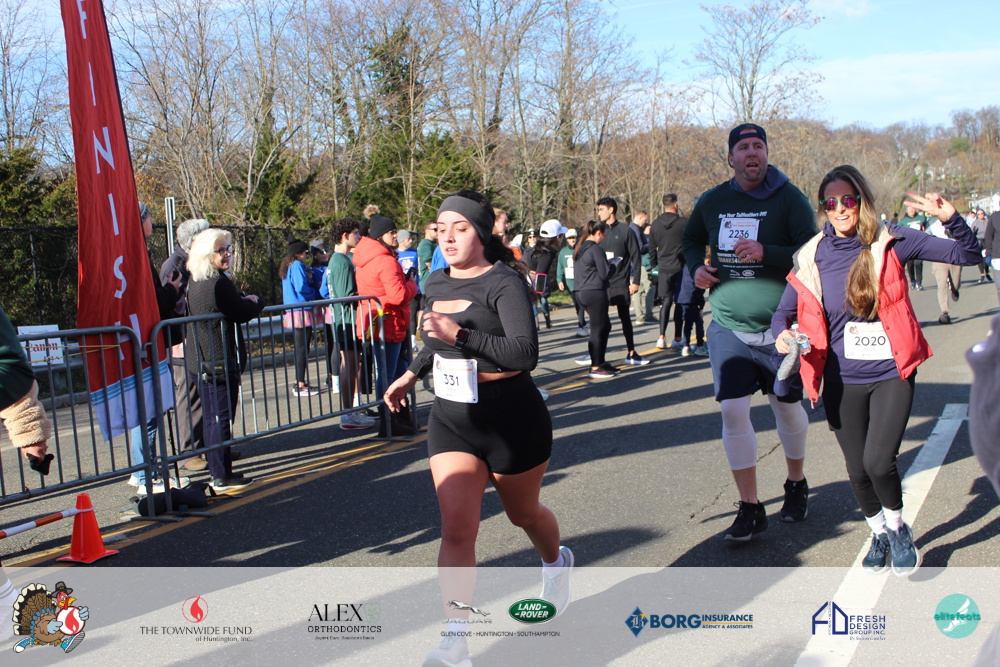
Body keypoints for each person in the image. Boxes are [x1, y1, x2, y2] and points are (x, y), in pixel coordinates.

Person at [383, 190, 571, 667]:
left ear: (482, 233)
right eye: (441, 228)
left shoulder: (504, 282)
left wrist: (462, 334)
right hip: (452, 419)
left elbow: (525, 354)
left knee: (523, 515)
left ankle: (556, 564)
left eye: (460, 228)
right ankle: (456, 640)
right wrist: (411, 374)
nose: (447, 237)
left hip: (511, 419)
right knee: (457, 528)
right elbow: (433, 339)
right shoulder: (435, 280)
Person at [772, 166, 981, 576]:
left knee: (878, 461)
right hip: (840, 379)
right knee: (856, 469)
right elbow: (782, 313)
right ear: (823, 208)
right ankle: (878, 533)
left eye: (847, 200)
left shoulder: (892, 240)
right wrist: (782, 334)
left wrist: (951, 218)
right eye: (830, 202)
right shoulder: (811, 255)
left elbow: (968, 255)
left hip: (890, 374)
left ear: (861, 201)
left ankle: (899, 528)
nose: (840, 209)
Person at [681, 123, 815, 541]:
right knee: (733, 411)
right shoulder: (713, 200)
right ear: (731, 158)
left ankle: (796, 482)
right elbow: (690, 240)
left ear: (767, 154)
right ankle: (750, 506)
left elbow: (812, 252)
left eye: (759, 146)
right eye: (743, 147)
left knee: (786, 409)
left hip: (780, 330)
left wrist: (767, 252)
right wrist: (696, 268)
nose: (752, 152)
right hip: (729, 326)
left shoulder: (789, 198)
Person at [185, 228, 261, 491]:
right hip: (215, 362)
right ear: (208, 254)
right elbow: (240, 311)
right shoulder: (217, 283)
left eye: (228, 249)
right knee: (220, 419)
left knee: (213, 418)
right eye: (221, 250)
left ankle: (221, 470)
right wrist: (256, 301)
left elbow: (228, 306)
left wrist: (242, 301)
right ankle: (220, 475)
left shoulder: (197, 281)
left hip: (201, 360)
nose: (227, 254)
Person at [129, 203, 186, 495]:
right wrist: (172, 289)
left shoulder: (132, 252)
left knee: (147, 410)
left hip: (142, 339)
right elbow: (151, 301)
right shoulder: (135, 254)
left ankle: (144, 470)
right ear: (140, 220)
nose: (152, 222)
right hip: (145, 341)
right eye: (149, 217)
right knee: (148, 411)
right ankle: (145, 474)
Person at [353, 213, 418, 436]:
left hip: (381, 320)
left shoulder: (367, 258)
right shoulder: (385, 260)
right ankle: (389, 421)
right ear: (381, 235)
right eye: (392, 232)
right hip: (389, 321)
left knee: (397, 370)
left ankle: (399, 418)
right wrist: (412, 285)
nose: (395, 236)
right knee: (389, 373)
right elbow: (398, 295)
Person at [159, 217, 211, 472]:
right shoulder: (175, 264)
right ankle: (188, 451)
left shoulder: (194, 261)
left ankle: (210, 447)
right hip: (180, 339)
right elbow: (171, 303)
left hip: (196, 337)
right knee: (188, 394)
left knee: (203, 392)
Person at [327, 218, 377, 430]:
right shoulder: (340, 261)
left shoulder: (340, 260)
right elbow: (345, 295)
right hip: (346, 321)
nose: (359, 236)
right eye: (355, 233)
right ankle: (348, 414)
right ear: (345, 235)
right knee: (349, 365)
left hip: (345, 320)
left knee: (352, 364)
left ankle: (351, 411)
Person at [596, 197, 646, 366]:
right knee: (601, 321)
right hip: (601, 283)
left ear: (611, 210)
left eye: (601, 209)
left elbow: (636, 257)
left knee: (625, 318)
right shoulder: (598, 231)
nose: (599, 213)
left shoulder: (626, 231)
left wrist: (636, 281)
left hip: (620, 282)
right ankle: (597, 355)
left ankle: (631, 352)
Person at [574, 219, 620, 379]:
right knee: (598, 328)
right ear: (598, 233)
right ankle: (595, 366)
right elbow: (604, 274)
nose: (604, 238)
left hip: (581, 291)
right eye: (604, 235)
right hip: (594, 291)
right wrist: (613, 265)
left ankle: (600, 361)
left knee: (605, 326)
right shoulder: (595, 249)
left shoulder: (580, 248)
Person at [280, 238, 320, 396]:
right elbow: (301, 287)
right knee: (302, 348)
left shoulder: (288, 266)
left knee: (301, 347)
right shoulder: (297, 265)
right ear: (298, 253)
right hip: (301, 309)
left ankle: (300, 381)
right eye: (305, 252)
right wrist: (313, 293)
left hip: (294, 309)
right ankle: (300, 384)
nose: (307, 255)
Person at [650, 193, 688, 351]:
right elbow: (689, 244)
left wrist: (654, 268)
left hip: (663, 268)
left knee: (665, 302)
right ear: (676, 205)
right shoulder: (683, 223)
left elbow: (651, 249)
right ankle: (677, 338)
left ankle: (661, 337)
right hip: (679, 267)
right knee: (679, 302)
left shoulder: (655, 224)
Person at [525, 219, 567, 329]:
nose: (563, 238)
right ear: (558, 237)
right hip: (524, 285)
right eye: (562, 235)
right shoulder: (547, 253)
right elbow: (540, 276)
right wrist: (536, 295)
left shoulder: (539, 248)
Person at [925, 215, 964, 324]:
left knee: (956, 282)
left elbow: (964, 232)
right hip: (939, 255)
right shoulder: (931, 221)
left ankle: (954, 289)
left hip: (954, 253)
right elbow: (926, 233)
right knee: (941, 283)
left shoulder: (952, 217)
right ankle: (944, 312)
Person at [557, 227, 588, 336]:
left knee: (582, 303)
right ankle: (582, 325)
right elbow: (560, 267)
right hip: (570, 283)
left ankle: (583, 325)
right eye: (570, 238)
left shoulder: (581, 249)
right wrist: (559, 280)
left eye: (573, 238)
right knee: (578, 304)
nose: (572, 240)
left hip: (582, 281)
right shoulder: (563, 252)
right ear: (567, 239)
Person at [630, 210, 655, 325]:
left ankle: (639, 316)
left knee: (638, 290)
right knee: (649, 287)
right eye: (645, 220)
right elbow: (640, 248)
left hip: (637, 263)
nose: (645, 222)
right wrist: (652, 244)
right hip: (642, 263)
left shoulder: (632, 228)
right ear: (640, 218)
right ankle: (648, 315)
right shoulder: (635, 230)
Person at [898, 205, 927, 290]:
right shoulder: (903, 221)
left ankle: (919, 283)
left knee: (918, 263)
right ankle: (912, 282)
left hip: (919, 245)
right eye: (910, 209)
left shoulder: (921, 218)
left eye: (913, 208)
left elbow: (927, 227)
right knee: (910, 265)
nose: (912, 210)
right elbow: (898, 230)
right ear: (907, 210)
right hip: (908, 246)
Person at [971, 209, 992, 283]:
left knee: (987, 257)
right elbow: (971, 233)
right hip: (979, 241)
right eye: (979, 214)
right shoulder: (975, 223)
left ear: (984, 214)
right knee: (979, 258)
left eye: (982, 213)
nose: (980, 215)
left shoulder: (988, 221)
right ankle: (982, 274)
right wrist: (974, 230)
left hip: (986, 241)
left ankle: (987, 273)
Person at [984, 210, 1000, 307]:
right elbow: (988, 236)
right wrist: (988, 253)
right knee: (999, 286)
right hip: (997, 256)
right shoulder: (994, 217)